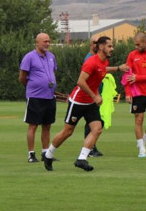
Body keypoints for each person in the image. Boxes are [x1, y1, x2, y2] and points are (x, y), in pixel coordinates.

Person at [42, 36, 127, 172]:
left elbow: (102, 71)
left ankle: (81, 159)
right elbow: (81, 82)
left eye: (112, 46)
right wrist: (95, 96)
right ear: (101, 47)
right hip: (78, 101)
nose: (112, 48)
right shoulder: (91, 62)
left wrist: (118, 68)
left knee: (97, 128)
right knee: (68, 132)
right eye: (110, 46)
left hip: (90, 103)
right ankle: (48, 154)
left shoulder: (104, 62)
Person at [19, 33, 58, 163]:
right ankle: (31, 154)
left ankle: (45, 153)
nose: (47, 43)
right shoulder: (29, 57)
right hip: (35, 96)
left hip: (49, 96)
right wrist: (32, 87)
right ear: (37, 43)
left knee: (47, 125)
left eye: (49, 41)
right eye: (45, 41)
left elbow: (53, 73)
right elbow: (22, 77)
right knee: (33, 125)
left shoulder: (51, 56)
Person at [83, 37, 104, 157]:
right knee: (91, 122)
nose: (97, 45)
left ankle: (91, 147)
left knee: (94, 122)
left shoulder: (97, 58)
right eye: (95, 43)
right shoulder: (90, 59)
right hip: (90, 96)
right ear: (91, 45)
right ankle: (90, 148)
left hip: (96, 94)